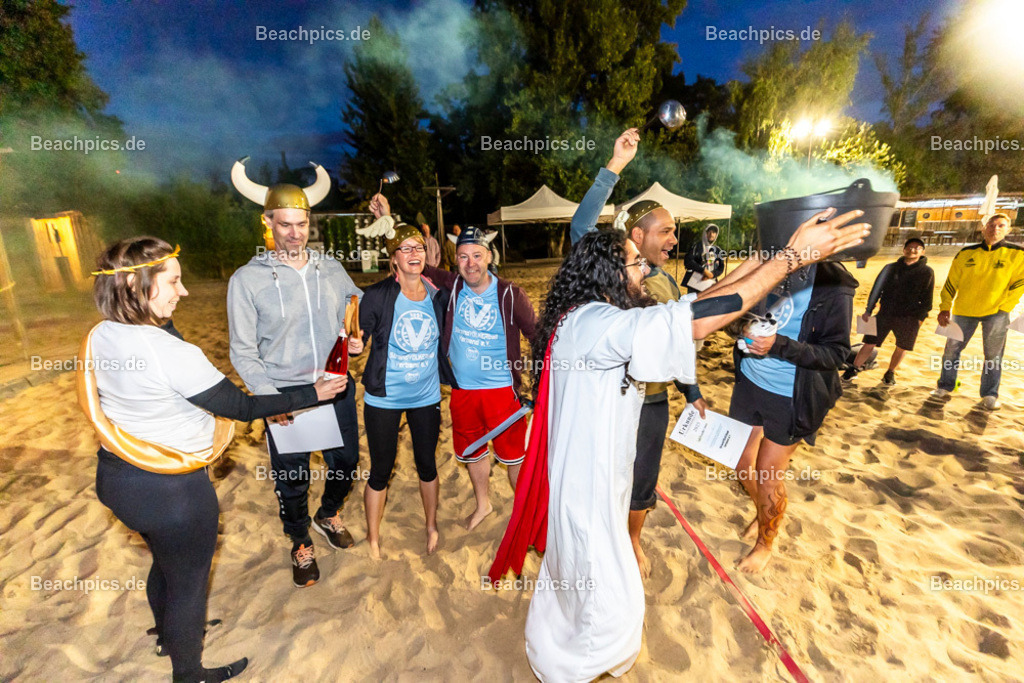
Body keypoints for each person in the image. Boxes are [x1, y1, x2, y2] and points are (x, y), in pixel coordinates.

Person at [489, 190, 871, 679]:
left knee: (573, 576)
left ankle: (559, 651)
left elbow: (695, 303)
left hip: (586, 473)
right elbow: (695, 320)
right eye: (632, 265)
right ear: (608, 275)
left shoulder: (583, 314)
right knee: (602, 591)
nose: (643, 271)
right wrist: (793, 259)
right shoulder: (603, 325)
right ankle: (570, 668)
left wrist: (766, 258)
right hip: (590, 485)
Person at [82, 237, 348, 682]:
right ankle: (188, 671)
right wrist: (312, 394)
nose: (183, 292)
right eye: (173, 282)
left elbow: (159, 337)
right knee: (187, 582)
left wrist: (153, 307)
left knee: (164, 561)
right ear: (134, 283)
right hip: (172, 494)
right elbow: (241, 408)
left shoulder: (102, 332)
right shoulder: (173, 354)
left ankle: (170, 635)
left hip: (117, 480)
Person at [569, 127, 707, 580]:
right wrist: (615, 167)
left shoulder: (667, 283)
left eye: (675, 231)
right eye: (666, 230)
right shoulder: (610, 270)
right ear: (637, 234)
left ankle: (632, 538)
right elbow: (581, 228)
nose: (673, 238)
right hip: (609, 399)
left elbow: (677, 343)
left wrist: (691, 391)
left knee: (644, 474)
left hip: (652, 400)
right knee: (605, 472)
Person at [228, 158, 364, 588]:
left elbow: (356, 306)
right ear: (266, 223)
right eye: (284, 224)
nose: (294, 232)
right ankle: (300, 540)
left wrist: (359, 339)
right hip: (286, 392)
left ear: (309, 223)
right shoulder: (247, 280)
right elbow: (243, 351)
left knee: (346, 463)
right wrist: (269, 398)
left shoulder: (330, 267)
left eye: (300, 224)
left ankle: (328, 515)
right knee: (293, 477)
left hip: (335, 384)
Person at [415, 219, 536, 531]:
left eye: (477, 256)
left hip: (503, 393)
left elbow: (539, 338)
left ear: (489, 257)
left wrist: (541, 383)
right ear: (456, 261)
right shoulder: (453, 285)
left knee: (513, 458)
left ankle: (523, 510)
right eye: (464, 257)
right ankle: (483, 503)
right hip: (463, 391)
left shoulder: (511, 294)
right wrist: (387, 224)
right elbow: (418, 266)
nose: (471, 264)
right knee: (473, 451)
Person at [358, 209, 454, 559]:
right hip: (384, 398)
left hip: (426, 396)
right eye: (405, 248)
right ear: (394, 258)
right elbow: (359, 338)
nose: (414, 253)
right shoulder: (378, 295)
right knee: (381, 470)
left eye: (418, 247)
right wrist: (355, 344)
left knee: (427, 465)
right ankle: (372, 537)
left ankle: (431, 525)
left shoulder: (438, 294)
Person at [930, 213, 1024, 409]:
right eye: (991, 225)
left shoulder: (1017, 254)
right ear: (983, 228)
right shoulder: (965, 253)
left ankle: (989, 394)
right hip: (963, 311)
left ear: (1008, 230)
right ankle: (945, 386)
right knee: (951, 351)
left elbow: (1020, 283)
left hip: (997, 313)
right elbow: (950, 283)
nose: (995, 229)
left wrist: (1004, 306)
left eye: (1001, 226)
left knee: (993, 355)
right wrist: (945, 306)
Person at [843, 237, 934, 385]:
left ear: (922, 251)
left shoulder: (927, 271)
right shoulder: (890, 268)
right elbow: (876, 289)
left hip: (909, 317)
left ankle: (890, 372)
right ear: (904, 249)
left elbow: (927, 298)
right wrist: (868, 310)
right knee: (869, 342)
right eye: (909, 247)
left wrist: (920, 318)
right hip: (885, 313)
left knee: (902, 347)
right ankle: (854, 369)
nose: (912, 250)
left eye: (917, 248)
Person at [682, 223, 726, 294]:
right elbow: (688, 261)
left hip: (710, 283)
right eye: (709, 232)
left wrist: (712, 274)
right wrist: (703, 271)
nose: (711, 234)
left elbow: (721, 267)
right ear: (705, 233)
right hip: (695, 284)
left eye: (714, 232)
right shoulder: (695, 247)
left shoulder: (717, 250)